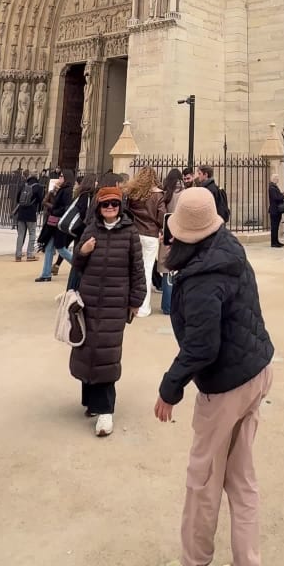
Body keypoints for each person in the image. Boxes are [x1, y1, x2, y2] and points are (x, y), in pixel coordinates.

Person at [153, 188, 274, 566]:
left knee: (203, 479)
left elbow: (202, 346)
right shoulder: (228, 246)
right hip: (257, 370)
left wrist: (170, 388)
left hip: (226, 384)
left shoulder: (202, 276)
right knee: (241, 481)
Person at [69, 176, 146, 437]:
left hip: (115, 301)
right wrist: (83, 252)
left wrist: (136, 300)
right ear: (98, 207)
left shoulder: (130, 232)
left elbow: (138, 268)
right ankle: (91, 400)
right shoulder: (91, 230)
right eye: (105, 205)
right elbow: (77, 266)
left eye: (114, 204)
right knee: (87, 349)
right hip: (89, 299)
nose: (110, 208)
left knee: (107, 353)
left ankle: (106, 411)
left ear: (120, 206)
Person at [124, 167, 165, 317]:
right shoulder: (158, 195)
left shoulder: (133, 193)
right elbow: (162, 216)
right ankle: (143, 308)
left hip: (134, 233)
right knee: (147, 270)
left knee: (133, 269)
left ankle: (130, 303)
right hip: (151, 234)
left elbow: (127, 212)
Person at [35, 169, 75, 282]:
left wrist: (54, 210)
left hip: (59, 222)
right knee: (49, 247)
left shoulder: (67, 191)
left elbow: (66, 207)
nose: (59, 178)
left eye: (62, 176)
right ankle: (46, 274)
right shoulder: (62, 189)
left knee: (61, 248)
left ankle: (79, 265)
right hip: (54, 222)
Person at [159, 169, 185, 317]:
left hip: (167, 230)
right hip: (181, 232)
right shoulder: (185, 192)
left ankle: (167, 305)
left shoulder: (166, 193)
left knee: (166, 270)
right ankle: (176, 303)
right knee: (178, 269)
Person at [13, 174, 44, 262]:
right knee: (32, 233)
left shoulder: (24, 185)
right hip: (31, 213)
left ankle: (18, 255)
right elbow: (40, 200)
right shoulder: (38, 187)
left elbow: (18, 199)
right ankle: (30, 254)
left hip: (21, 213)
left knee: (20, 235)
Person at [268, 173, 284, 249]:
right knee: (274, 227)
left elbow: (277, 196)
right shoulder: (272, 187)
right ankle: (273, 243)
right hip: (274, 210)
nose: (278, 179)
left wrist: (281, 194)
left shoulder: (274, 187)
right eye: (277, 178)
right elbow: (276, 198)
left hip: (276, 210)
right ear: (274, 179)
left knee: (276, 227)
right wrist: (283, 195)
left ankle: (276, 241)